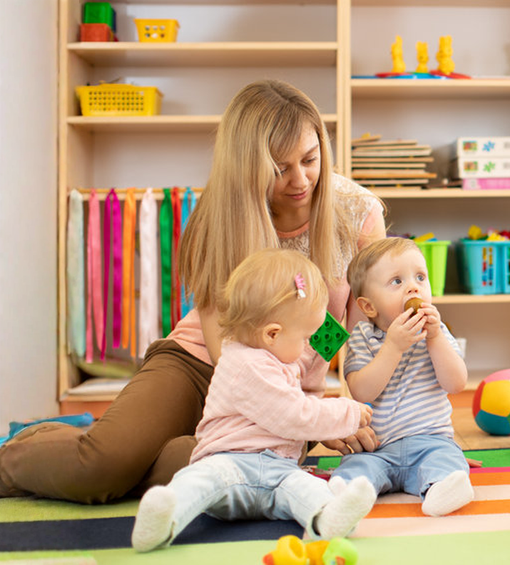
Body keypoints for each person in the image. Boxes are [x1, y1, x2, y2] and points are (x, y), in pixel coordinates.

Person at [0, 79, 386, 504]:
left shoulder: (357, 213)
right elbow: (221, 344)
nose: (300, 179)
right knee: (103, 467)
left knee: (210, 474)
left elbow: (342, 328)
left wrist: (326, 413)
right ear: (249, 166)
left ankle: (118, 451)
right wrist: (300, 414)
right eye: (279, 169)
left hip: (287, 393)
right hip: (199, 364)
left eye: (310, 159)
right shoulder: (222, 209)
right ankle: (21, 457)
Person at [131, 249, 377, 552]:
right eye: (304, 338)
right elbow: (294, 415)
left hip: (279, 471)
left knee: (308, 489)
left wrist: (331, 331)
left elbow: (306, 362)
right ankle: (163, 520)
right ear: (272, 334)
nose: (306, 346)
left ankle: (327, 518)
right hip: (230, 463)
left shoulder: (276, 354)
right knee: (197, 481)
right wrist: (347, 413)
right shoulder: (245, 365)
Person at [331, 237, 474, 517]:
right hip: (377, 448)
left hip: (431, 441)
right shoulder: (363, 336)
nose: (413, 286)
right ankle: (350, 493)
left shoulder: (437, 332)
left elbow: (456, 383)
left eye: (420, 277)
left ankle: (443, 489)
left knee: (448, 460)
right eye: (397, 281)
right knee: (356, 468)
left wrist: (434, 339)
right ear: (369, 307)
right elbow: (362, 391)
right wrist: (393, 347)